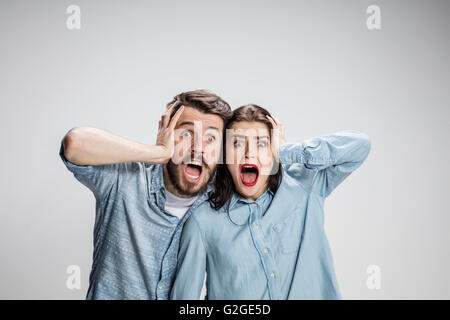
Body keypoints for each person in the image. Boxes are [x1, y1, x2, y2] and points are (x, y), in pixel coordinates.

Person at [170, 104, 371, 300]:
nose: (249, 153)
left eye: (261, 143)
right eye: (237, 143)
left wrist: (287, 151)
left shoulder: (306, 186)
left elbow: (361, 145)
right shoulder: (202, 222)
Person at [59, 90, 232, 299]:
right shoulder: (124, 180)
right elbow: (74, 144)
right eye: (186, 134)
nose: (198, 149)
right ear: (165, 133)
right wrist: (158, 152)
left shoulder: (222, 202)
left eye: (211, 138)